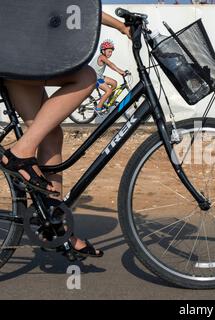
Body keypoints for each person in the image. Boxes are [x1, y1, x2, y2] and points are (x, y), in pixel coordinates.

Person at [0, 11, 131, 259]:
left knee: (50, 135)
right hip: (14, 53)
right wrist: (122, 27)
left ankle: (56, 227)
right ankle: (19, 153)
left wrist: (120, 26)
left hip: (14, 54)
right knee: (86, 77)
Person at [90, 39, 127, 114]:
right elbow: (111, 64)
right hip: (93, 78)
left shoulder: (104, 58)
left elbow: (111, 65)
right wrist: (120, 72)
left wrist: (122, 71)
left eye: (111, 52)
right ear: (103, 51)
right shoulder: (101, 57)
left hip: (99, 77)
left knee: (114, 83)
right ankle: (98, 108)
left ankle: (110, 102)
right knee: (109, 90)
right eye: (109, 51)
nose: (110, 53)